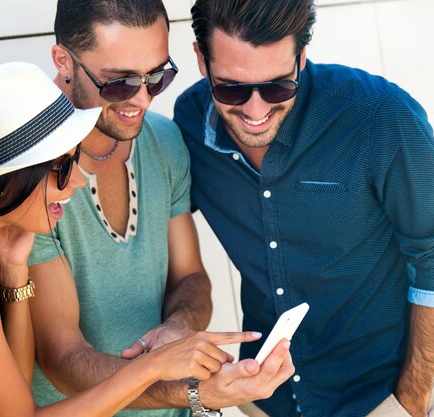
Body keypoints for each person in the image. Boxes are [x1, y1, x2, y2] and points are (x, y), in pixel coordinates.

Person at [0, 61, 254, 417]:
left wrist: (12, 273)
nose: (75, 182)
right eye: (60, 168)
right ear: (10, 176)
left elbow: (17, 386)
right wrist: (154, 367)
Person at [24, 1, 295, 416]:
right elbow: (62, 357)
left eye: (157, 77)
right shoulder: (30, 175)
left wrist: (178, 328)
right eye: (118, 83)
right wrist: (187, 390)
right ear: (64, 61)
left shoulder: (165, 142)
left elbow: (190, 278)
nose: (142, 99)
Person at [173, 0, 434, 416]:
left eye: (278, 86)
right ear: (201, 60)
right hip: (263, 400)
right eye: (231, 88)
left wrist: (412, 398)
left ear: (301, 58)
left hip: (378, 398)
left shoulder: (380, 117)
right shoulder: (188, 122)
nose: (255, 110)